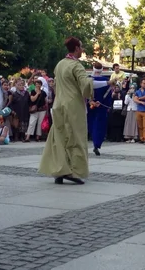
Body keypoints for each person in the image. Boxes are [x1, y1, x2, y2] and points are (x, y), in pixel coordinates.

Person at [39, 37, 114, 184]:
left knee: (59, 138)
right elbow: (86, 84)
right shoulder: (76, 65)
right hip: (72, 106)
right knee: (75, 138)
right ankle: (73, 171)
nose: (83, 49)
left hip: (58, 104)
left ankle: (59, 170)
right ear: (76, 48)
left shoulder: (60, 64)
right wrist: (108, 82)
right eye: (81, 47)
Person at [87, 62, 112, 155]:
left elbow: (85, 92)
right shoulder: (106, 81)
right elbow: (108, 95)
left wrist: (90, 101)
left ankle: (93, 139)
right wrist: (104, 103)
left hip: (90, 105)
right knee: (100, 125)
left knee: (92, 123)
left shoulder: (88, 80)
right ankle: (97, 144)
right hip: (101, 105)